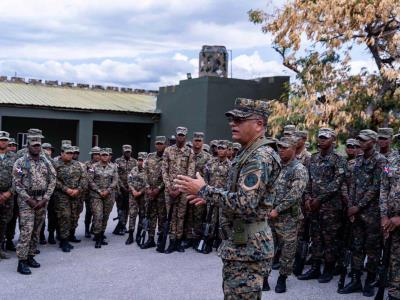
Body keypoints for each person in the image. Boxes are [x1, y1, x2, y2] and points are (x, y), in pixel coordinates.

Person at [175, 98, 281, 299]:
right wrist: (210, 196)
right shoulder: (248, 152)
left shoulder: (259, 157)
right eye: (232, 119)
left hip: (249, 249)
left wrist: (205, 190)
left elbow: (246, 204)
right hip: (241, 245)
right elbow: (241, 193)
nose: (233, 123)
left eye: (240, 119)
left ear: (259, 124)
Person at [339, 129, 387, 297]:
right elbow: (353, 185)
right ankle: (356, 279)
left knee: (372, 248)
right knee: (356, 246)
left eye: (364, 140)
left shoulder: (381, 161)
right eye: (359, 139)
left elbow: (376, 187)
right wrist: (351, 206)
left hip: (372, 213)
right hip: (356, 211)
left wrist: (358, 206)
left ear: (373, 142)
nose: (360, 142)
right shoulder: (358, 160)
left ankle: (370, 281)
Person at [298, 128, 346, 283]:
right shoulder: (313, 158)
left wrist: (319, 199)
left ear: (333, 139)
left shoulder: (339, 159)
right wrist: (307, 198)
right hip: (313, 205)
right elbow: (308, 180)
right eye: (320, 137)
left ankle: (329, 269)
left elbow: (337, 183)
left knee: (330, 239)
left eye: (325, 138)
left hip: (330, 207)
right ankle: (315, 267)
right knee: (316, 237)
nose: (322, 140)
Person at [266, 136, 308, 293]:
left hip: (288, 217)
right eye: (279, 147)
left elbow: (295, 194)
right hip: (270, 215)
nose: (281, 150)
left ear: (294, 149)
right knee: (268, 247)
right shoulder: (276, 166)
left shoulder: (299, 169)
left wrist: (278, 209)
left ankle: (282, 278)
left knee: (287, 250)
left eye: (284, 147)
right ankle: (264, 277)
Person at [13, 134, 56, 275]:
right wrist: (28, 199)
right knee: (27, 230)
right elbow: (16, 183)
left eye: (38, 145)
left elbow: (52, 181)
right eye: (34, 145)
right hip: (27, 201)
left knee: (37, 230)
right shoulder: (20, 162)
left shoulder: (46, 162)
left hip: (42, 200)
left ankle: (31, 256)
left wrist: (45, 199)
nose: (37, 147)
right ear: (28, 146)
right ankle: (22, 261)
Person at [161, 127, 195, 254]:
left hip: (183, 190)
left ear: (186, 137)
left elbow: (190, 172)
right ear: (176, 136)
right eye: (179, 135)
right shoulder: (168, 150)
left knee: (180, 215)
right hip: (169, 189)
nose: (181, 137)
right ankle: (171, 240)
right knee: (171, 215)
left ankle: (178, 241)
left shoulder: (190, 152)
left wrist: (180, 189)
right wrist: (169, 187)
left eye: (183, 135)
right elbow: (164, 170)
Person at [54, 145, 85, 252]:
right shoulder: (56, 164)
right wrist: (66, 189)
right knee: (65, 217)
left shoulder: (78, 165)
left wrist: (78, 189)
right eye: (67, 153)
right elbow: (53, 180)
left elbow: (84, 178)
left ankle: (70, 235)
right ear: (62, 153)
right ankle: (64, 241)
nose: (70, 155)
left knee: (74, 216)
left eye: (71, 153)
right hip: (62, 196)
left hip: (76, 195)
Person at [203, 139, 231, 253]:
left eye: (223, 148)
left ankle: (220, 243)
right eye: (219, 148)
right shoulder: (210, 163)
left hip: (222, 199)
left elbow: (230, 184)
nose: (220, 150)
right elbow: (205, 179)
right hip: (210, 198)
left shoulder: (230, 165)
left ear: (227, 150)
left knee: (222, 222)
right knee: (210, 220)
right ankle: (208, 243)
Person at [184, 132, 211, 248]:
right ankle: (188, 237)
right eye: (195, 140)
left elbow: (209, 176)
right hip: (187, 189)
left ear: (202, 142)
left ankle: (197, 238)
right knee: (188, 214)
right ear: (192, 141)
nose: (197, 143)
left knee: (199, 215)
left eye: (199, 141)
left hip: (200, 190)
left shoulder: (207, 157)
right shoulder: (187, 154)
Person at [88, 148, 118, 248]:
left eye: (106, 155)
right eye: (103, 155)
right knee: (98, 216)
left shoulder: (113, 167)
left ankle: (101, 234)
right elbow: (90, 181)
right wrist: (100, 191)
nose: (105, 156)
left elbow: (115, 180)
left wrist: (108, 190)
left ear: (109, 156)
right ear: (100, 156)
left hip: (109, 195)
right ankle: (97, 237)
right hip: (96, 195)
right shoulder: (93, 167)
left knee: (105, 216)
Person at [380, 150, 400, 300]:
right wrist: (384, 215)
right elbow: (384, 187)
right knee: (394, 258)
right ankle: (394, 292)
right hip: (390, 221)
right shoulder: (390, 160)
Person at [144, 136, 167, 251]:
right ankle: (151, 238)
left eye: (161, 143)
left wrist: (158, 189)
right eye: (157, 143)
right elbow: (145, 173)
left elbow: (168, 176)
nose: (159, 145)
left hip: (161, 193)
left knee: (162, 217)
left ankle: (161, 239)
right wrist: (148, 188)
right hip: (150, 192)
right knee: (151, 216)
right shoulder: (149, 157)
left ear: (165, 145)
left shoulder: (167, 157)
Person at [0, 131, 16, 260]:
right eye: (1, 139)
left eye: (5, 140)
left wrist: (10, 192)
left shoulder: (14, 157)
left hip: (8, 195)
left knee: (4, 222)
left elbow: (19, 177)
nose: (3, 142)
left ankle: (1, 248)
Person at [114, 145, 137, 236]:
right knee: (120, 208)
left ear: (131, 152)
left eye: (129, 151)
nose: (127, 153)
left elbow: (135, 175)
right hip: (120, 188)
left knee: (127, 208)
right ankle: (121, 225)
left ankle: (122, 225)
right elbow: (116, 175)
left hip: (130, 189)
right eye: (126, 151)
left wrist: (131, 187)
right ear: (123, 151)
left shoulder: (134, 161)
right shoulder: (117, 161)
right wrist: (122, 187)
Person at [126, 152, 147, 245]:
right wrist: (134, 191)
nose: (140, 162)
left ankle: (138, 234)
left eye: (142, 160)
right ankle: (130, 235)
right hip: (133, 196)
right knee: (132, 215)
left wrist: (140, 192)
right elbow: (129, 181)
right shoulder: (133, 170)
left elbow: (148, 184)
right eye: (139, 160)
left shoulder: (148, 171)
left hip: (143, 196)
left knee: (142, 215)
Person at [83, 146, 101, 238]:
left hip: (100, 193)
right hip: (89, 193)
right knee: (89, 212)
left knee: (97, 213)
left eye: (98, 154)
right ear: (92, 155)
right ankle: (87, 230)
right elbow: (85, 177)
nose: (97, 156)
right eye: (95, 154)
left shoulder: (103, 164)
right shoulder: (87, 164)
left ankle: (94, 229)